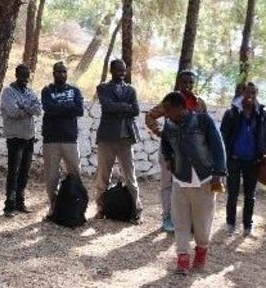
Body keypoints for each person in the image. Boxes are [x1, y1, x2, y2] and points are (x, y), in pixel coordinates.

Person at [160, 91, 227, 275]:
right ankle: (182, 259)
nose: (166, 113)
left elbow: (218, 146)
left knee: (202, 223)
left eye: (168, 109)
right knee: (180, 221)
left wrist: (219, 173)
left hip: (204, 179)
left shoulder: (203, 121)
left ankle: (201, 251)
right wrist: (168, 159)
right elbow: (165, 144)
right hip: (180, 180)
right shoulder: (169, 126)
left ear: (181, 108)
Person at [145, 70, 207, 232]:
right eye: (184, 82)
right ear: (179, 83)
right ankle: (167, 218)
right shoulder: (170, 100)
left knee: (190, 186)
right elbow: (150, 116)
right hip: (170, 150)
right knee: (168, 184)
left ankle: (186, 220)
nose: (187, 86)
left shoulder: (199, 103)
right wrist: (160, 132)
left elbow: (205, 125)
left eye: (190, 83)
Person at [219, 82, 266, 237]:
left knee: (250, 195)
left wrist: (262, 155)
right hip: (234, 160)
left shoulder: (261, 114)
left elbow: (265, 135)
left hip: (253, 161)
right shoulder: (231, 113)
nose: (250, 97)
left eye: (253, 93)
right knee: (232, 194)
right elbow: (223, 135)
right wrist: (228, 154)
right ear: (242, 94)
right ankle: (230, 223)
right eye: (247, 93)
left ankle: (248, 224)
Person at [95, 60, 141, 222]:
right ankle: (100, 209)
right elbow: (107, 107)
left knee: (130, 177)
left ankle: (135, 210)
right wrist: (125, 107)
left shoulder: (131, 89)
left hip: (126, 139)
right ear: (111, 71)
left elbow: (135, 110)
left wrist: (118, 107)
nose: (121, 74)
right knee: (103, 176)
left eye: (124, 71)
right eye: (118, 71)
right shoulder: (103, 87)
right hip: (107, 138)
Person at [41, 62, 84, 218]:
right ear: (54, 73)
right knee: (51, 178)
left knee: (75, 174)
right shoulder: (47, 90)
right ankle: (53, 209)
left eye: (64, 71)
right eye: (59, 72)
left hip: (70, 140)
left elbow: (79, 110)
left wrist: (59, 108)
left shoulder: (75, 90)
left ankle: (78, 209)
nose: (62, 74)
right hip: (51, 140)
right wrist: (68, 107)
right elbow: (48, 109)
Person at [0, 64, 42, 217]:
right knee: (13, 171)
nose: (25, 79)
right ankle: (9, 204)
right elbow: (13, 112)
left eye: (27, 75)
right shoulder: (8, 92)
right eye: (22, 75)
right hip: (15, 137)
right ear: (16, 74)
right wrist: (27, 107)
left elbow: (38, 110)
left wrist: (24, 107)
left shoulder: (30, 91)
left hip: (29, 136)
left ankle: (20, 201)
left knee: (25, 171)